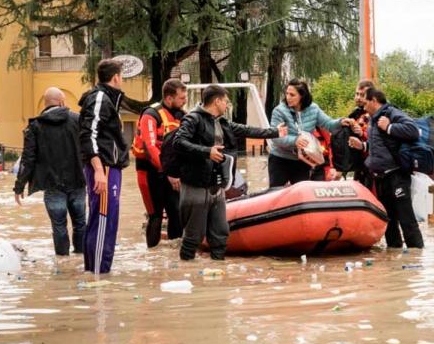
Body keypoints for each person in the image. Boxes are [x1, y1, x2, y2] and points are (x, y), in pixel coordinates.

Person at [174, 84, 286, 261]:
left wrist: (275, 132)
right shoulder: (193, 120)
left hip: (217, 185)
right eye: (226, 101)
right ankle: (187, 270)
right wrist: (207, 151)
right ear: (217, 101)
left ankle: (218, 271)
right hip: (196, 184)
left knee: (220, 233)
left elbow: (247, 130)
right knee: (194, 235)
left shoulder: (223, 123)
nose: (227, 105)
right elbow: (179, 142)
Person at [78, 59, 139, 274]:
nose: (122, 80)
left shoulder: (110, 99)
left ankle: (97, 271)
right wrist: (97, 170)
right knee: (103, 219)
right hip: (103, 167)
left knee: (105, 218)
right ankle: (97, 274)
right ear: (116, 77)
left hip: (109, 167)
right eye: (121, 76)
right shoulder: (100, 98)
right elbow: (88, 134)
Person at [13, 87, 86, 256]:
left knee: (59, 226)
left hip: (52, 185)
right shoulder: (77, 120)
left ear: (45, 104)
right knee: (80, 222)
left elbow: (27, 160)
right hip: (78, 181)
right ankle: (81, 260)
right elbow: (88, 149)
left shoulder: (35, 126)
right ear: (61, 102)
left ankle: (63, 263)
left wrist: (19, 186)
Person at [362, 87, 425, 249]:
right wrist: (362, 145)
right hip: (381, 177)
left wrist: (390, 127)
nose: (362, 103)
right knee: (388, 220)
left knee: (406, 217)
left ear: (374, 100)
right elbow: (378, 145)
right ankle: (394, 256)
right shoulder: (372, 120)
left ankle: (416, 256)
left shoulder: (391, 113)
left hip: (397, 175)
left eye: (365, 100)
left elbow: (413, 130)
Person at [131, 78, 188, 248]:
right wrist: (168, 172)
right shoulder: (151, 115)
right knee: (155, 215)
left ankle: (173, 258)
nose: (185, 101)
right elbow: (149, 147)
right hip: (150, 172)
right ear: (169, 98)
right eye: (182, 98)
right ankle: (152, 255)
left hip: (172, 173)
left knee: (176, 213)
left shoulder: (183, 116)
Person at [268, 79, 349, 187]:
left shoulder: (313, 109)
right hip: (280, 160)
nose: (288, 97)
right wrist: (295, 141)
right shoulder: (279, 111)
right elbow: (276, 137)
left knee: (301, 194)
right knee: (276, 193)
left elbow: (328, 123)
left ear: (302, 96)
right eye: (287, 93)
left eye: (292, 95)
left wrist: (340, 122)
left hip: (303, 161)